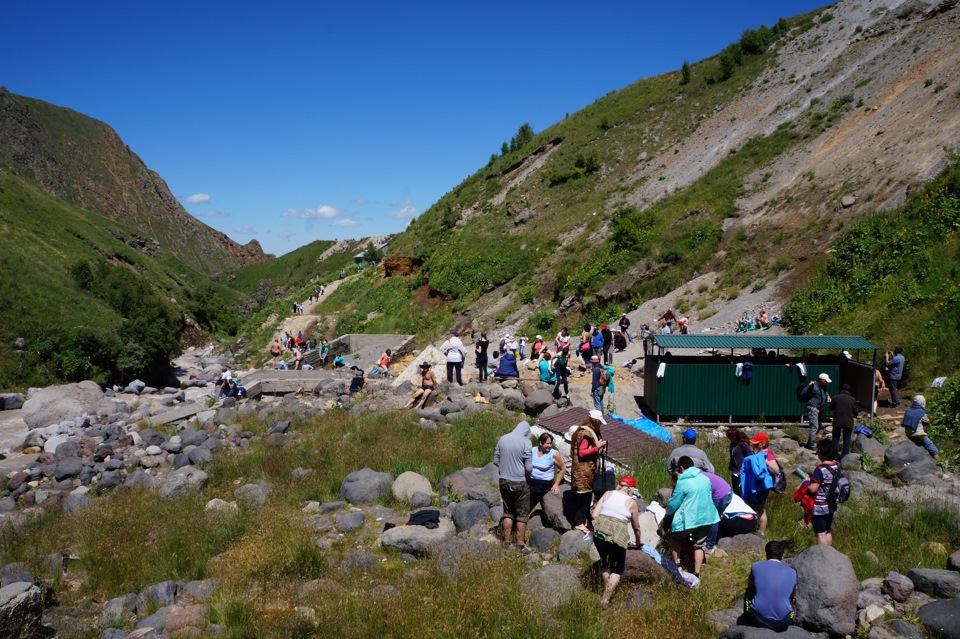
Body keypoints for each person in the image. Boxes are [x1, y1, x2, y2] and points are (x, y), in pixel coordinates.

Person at [591, 475, 645, 607]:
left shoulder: (607, 494)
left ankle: (606, 594)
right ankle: (605, 600)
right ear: (631, 489)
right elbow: (636, 527)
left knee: (605, 564)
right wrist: (638, 543)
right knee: (618, 568)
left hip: (599, 532)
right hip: (617, 536)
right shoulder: (632, 504)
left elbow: (595, 515)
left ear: (620, 485)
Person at [665, 456, 719, 586]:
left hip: (691, 519)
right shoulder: (705, 478)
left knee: (675, 537)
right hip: (707, 517)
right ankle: (696, 573)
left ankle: (677, 566)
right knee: (699, 544)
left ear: (681, 468)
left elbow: (674, 503)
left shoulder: (683, 482)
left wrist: (668, 513)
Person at [493, 420, 534, 551]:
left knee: (508, 512)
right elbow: (529, 468)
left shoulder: (503, 438)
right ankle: (520, 545)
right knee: (522, 514)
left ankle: (506, 542)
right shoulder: (525, 442)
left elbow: (495, 461)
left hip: (503, 480)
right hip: (519, 482)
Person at [739, 541, 797, 632]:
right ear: (783, 556)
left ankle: (747, 619)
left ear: (766, 554)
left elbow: (750, 587)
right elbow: (793, 596)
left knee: (749, 592)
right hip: (782, 624)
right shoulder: (792, 572)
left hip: (759, 620)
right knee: (792, 599)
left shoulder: (756, 566)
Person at [569, 411, 607, 535]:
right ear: (595, 422)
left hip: (586, 472)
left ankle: (585, 520)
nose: (600, 425)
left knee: (586, 496)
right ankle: (579, 522)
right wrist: (597, 448)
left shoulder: (585, 431)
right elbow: (582, 452)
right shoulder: (585, 434)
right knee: (584, 497)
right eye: (599, 422)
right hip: (583, 472)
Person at [743, 432, 780, 536]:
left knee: (760, 509)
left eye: (757, 443)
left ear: (763, 443)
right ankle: (754, 528)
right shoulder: (760, 454)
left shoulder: (768, 454)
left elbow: (776, 470)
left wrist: (764, 461)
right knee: (751, 506)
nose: (754, 445)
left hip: (762, 487)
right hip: (757, 485)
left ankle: (761, 532)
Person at [807, 439, 840, 546]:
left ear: (823, 453)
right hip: (831, 504)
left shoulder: (820, 469)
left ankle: (822, 556)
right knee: (827, 530)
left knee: (820, 533)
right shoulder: (836, 466)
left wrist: (806, 481)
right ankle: (829, 553)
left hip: (820, 506)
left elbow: (813, 489)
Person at [528, 433, 566, 512]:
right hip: (530, 480)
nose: (549, 445)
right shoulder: (533, 450)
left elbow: (563, 468)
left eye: (551, 443)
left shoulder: (554, 454)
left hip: (544, 483)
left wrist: (556, 484)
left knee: (528, 505)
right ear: (541, 443)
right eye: (547, 443)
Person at [701, 471, 733, 555]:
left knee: (713, 519)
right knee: (715, 518)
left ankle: (709, 546)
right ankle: (711, 541)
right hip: (727, 492)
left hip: (720, 496)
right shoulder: (699, 473)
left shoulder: (694, 478)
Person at [901, 395, 941, 461]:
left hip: (908, 434)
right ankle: (940, 465)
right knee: (934, 450)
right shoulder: (921, 412)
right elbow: (928, 423)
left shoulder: (908, 409)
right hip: (918, 435)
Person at [804, 373, 832, 450]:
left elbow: (824, 392)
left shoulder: (823, 386)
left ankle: (809, 442)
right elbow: (803, 393)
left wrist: (828, 396)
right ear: (822, 380)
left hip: (819, 407)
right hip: (812, 407)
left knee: (819, 426)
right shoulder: (812, 385)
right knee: (815, 426)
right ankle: (812, 445)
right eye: (825, 381)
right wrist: (808, 385)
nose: (826, 382)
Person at [831, 384, 860, 459]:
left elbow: (830, 407)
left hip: (837, 421)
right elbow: (856, 412)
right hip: (848, 422)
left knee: (835, 438)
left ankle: (835, 455)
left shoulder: (836, 398)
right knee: (846, 439)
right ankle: (845, 456)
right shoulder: (852, 399)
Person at [726, 428, 754, 497]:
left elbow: (751, 457)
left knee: (740, 492)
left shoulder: (743, 445)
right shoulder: (732, 444)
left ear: (735, 436)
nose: (731, 440)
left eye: (731, 438)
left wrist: (742, 469)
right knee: (735, 490)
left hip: (741, 472)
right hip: (734, 471)